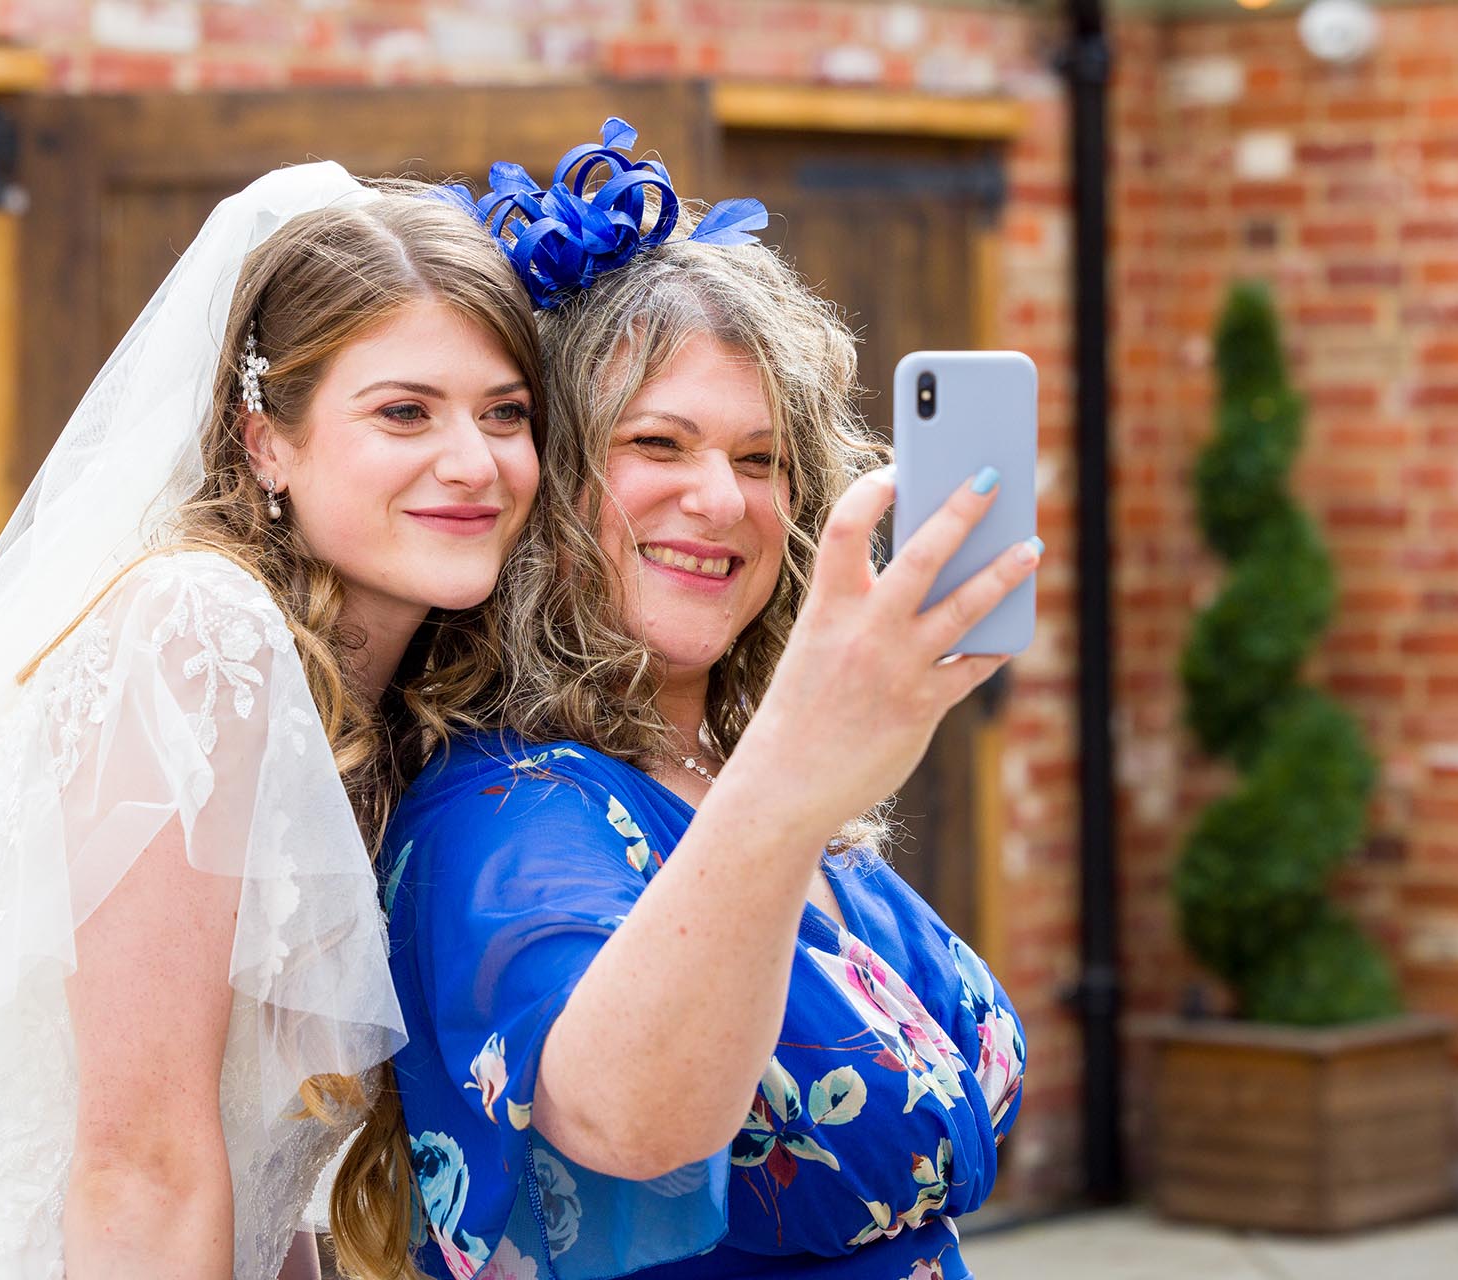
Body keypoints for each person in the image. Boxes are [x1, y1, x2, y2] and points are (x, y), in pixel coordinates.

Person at [0, 163, 543, 1280]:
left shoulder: (394, 698)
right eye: (404, 411)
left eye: (505, 412)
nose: (473, 462)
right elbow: (144, 1163)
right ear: (263, 440)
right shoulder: (195, 633)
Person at [356, 122, 1034, 1280]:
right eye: (658, 441)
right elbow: (625, 1119)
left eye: (763, 459)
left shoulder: (728, 766)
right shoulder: (504, 808)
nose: (719, 498)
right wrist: (795, 771)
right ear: (546, 481)